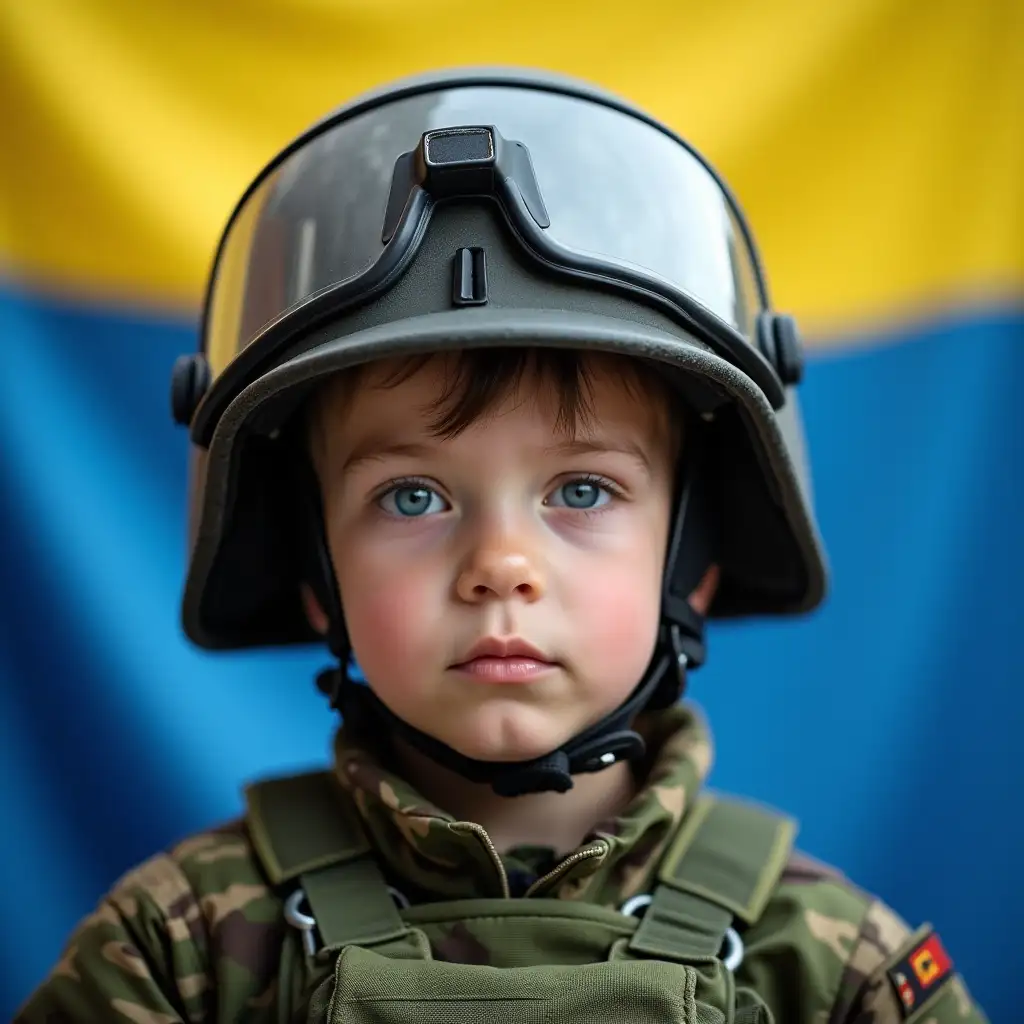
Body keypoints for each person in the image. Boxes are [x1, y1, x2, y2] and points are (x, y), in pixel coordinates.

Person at [15, 68, 988, 1023]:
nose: (500, 564)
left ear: (690, 556)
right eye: (411, 496)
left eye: (579, 489)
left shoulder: (829, 966)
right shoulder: (176, 952)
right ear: (315, 572)